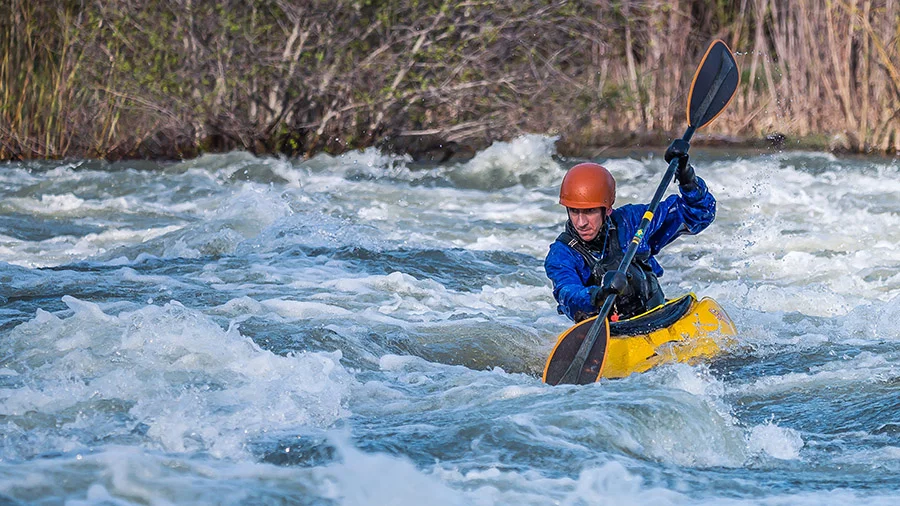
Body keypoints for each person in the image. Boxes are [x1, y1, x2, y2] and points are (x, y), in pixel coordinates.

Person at [544, 140, 716, 322]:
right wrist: (598, 295)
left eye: (589, 211)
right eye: (574, 211)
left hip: (657, 317)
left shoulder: (632, 222)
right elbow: (567, 293)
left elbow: (700, 214)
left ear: (607, 209)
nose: (581, 222)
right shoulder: (561, 253)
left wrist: (686, 177)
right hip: (610, 332)